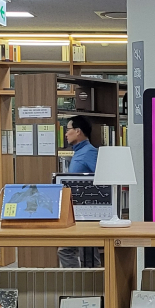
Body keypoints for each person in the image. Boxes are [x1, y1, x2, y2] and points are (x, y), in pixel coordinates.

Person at [59, 115, 101, 268]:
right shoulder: (78, 152)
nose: (65, 133)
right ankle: (81, 284)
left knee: (85, 253)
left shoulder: (89, 152)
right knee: (84, 252)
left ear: (78, 131)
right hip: (76, 211)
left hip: (86, 212)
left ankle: (84, 284)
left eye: (68, 129)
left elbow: (101, 180)